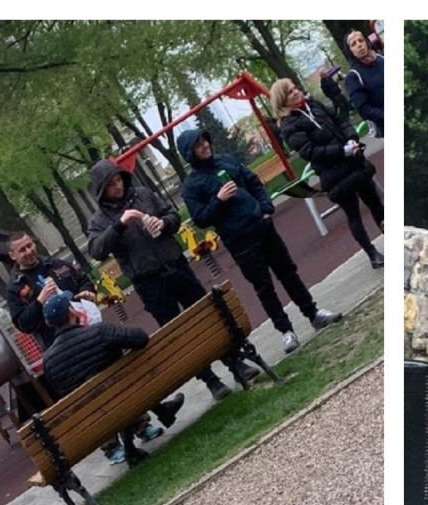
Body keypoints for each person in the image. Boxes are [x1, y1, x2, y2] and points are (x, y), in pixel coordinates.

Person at [175, 128, 341, 356]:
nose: (204, 145)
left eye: (204, 140)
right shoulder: (191, 187)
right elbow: (202, 218)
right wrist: (219, 199)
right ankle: (285, 330)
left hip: (262, 226)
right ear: (189, 153)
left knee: (288, 272)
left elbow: (253, 182)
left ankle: (313, 313)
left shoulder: (227, 161)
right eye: (197, 144)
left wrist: (266, 209)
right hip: (239, 240)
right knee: (263, 286)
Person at [86, 159, 235, 401]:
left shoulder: (143, 194)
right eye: (111, 184)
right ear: (102, 190)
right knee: (177, 331)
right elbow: (97, 250)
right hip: (148, 282)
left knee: (208, 315)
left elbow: (172, 216)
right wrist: (120, 225)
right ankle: (211, 380)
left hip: (176, 266)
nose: (118, 187)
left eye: (119, 180)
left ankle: (235, 362)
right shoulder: (98, 220)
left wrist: (163, 223)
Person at [41, 292, 185, 468]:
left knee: (102, 396)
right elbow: (140, 337)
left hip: (97, 417)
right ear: (72, 312)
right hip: (129, 398)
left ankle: (144, 429)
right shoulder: (99, 331)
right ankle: (161, 411)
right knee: (129, 372)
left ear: (50, 324)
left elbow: (61, 391)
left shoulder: (49, 360)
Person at [270, 78, 384, 269]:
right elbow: (310, 152)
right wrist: (341, 151)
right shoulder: (289, 126)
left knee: (375, 203)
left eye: (294, 88)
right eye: (290, 92)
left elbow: (339, 120)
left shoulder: (313, 105)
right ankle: (371, 252)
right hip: (335, 173)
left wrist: (351, 138)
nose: (296, 92)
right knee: (353, 214)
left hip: (353, 163)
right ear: (282, 100)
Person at [5, 232, 98, 351]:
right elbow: (23, 324)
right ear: (13, 256)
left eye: (30, 245)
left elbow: (83, 280)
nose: (29, 251)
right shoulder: (15, 287)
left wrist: (86, 291)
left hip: (88, 327)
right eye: (22, 250)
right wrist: (39, 303)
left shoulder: (56, 264)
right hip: (58, 346)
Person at [344, 29, 384, 137]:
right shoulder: (354, 76)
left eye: (361, 40)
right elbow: (364, 109)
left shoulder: (382, 58)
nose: (359, 45)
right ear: (350, 51)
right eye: (354, 44)